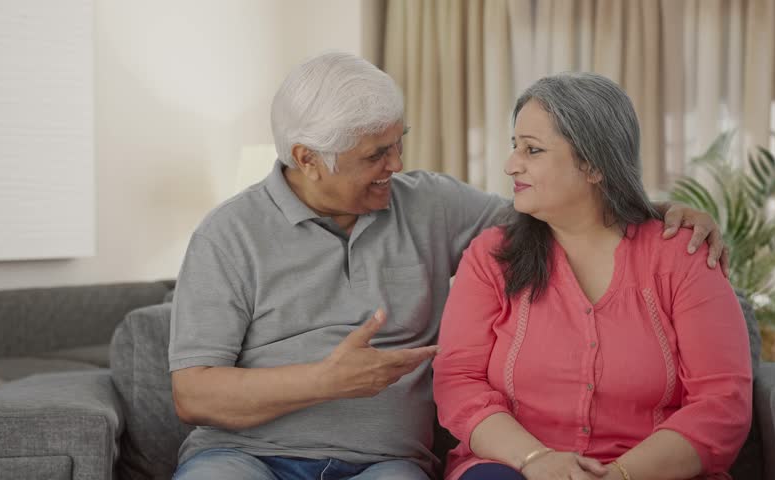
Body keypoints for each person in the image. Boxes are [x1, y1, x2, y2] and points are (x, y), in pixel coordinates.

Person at [168, 53, 728, 480]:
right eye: (375, 156)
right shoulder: (227, 236)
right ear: (307, 159)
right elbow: (194, 394)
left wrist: (657, 211)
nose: (398, 165)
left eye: (397, 143)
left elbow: (559, 212)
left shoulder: (430, 203)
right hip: (243, 458)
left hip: (384, 464)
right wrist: (325, 381)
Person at [432, 72, 752, 480]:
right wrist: (536, 460)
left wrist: (618, 475)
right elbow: (459, 382)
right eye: (515, 147)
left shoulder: (683, 256)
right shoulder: (491, 256)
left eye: (533, 150)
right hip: (511, 468)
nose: (512, 165)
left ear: (594, 166)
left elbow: (722, 404)